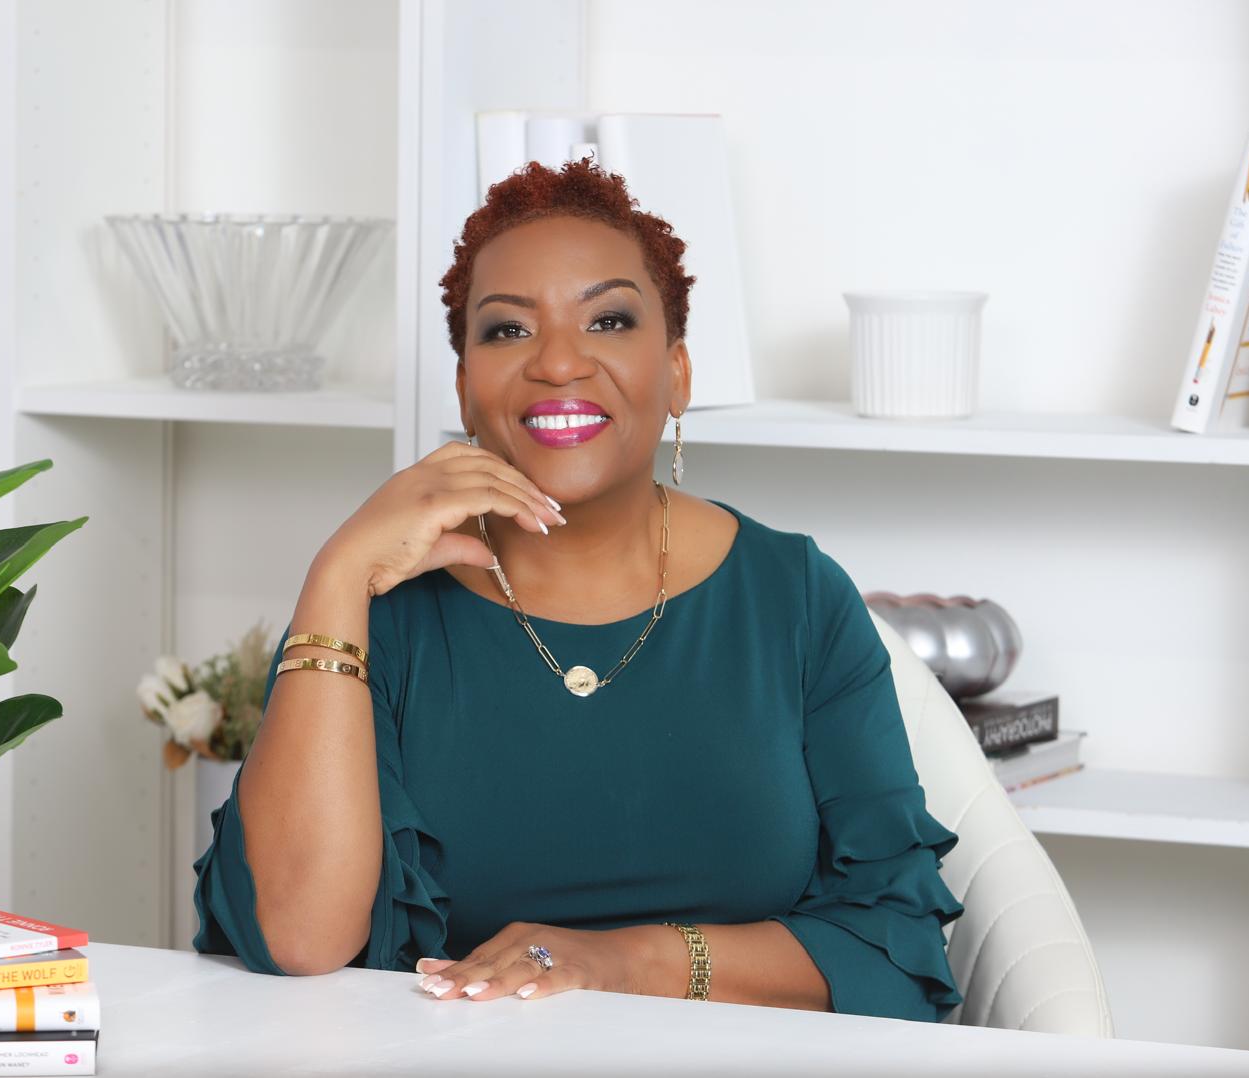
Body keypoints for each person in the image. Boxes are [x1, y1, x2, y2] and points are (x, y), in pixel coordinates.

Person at [194, 158, 963, 1021]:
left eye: (608, 319)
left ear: (677, 374)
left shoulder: (797, 598)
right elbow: (300, 937)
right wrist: (336, 573)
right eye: (508, 332)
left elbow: (892, 945)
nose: (558, 363)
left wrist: (621, 959)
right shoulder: (383, 611)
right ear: (464, 387)